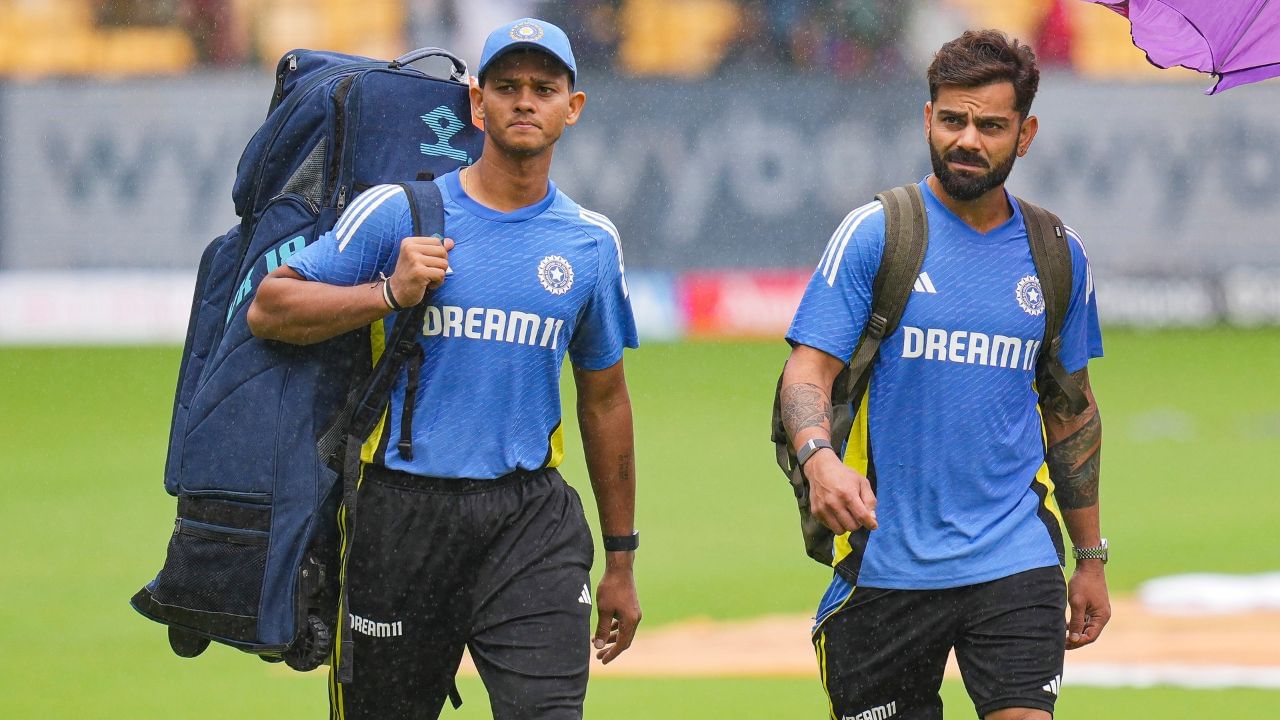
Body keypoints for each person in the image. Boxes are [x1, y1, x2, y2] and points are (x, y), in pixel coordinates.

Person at [247, 18, 641, 720]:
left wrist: (620, 560)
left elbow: (605, 400)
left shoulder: (590, 243)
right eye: (507, 86)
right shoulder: (399, 213)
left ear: (572, 107)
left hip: (530, 521)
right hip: (400, 517)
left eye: (544, 88)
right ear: (475, 103)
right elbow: (269, 308)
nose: (525, 101)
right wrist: (386, 294)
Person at [780, 30, 1109, 720]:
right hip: (887, 562)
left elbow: (1071, 411)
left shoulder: (1057, 255)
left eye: (991, 125)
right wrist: (817, 460)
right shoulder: (878, 233)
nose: (968, 140)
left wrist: (1090, 556)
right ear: (927, 118)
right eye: (953, 119)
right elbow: (808, 365)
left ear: (1025, 133)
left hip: (1014, 560)